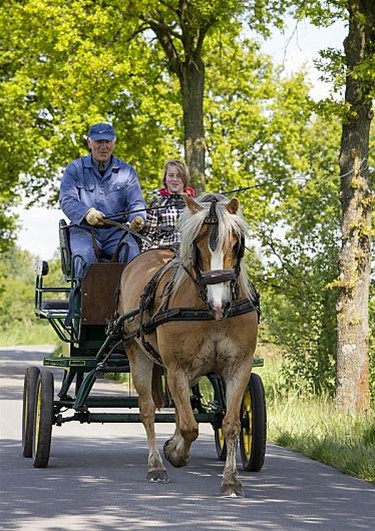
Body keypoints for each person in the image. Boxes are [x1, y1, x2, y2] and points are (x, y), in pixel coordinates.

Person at [59, 123, 146, 324]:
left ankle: (132, 316)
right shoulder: (75, 169)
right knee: (84, 256)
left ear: (113, 143)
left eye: (107, 141)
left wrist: (138, 218)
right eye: (98, 142)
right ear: (90, 143)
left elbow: (136, 201)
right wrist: (86, 213)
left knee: (133, 254)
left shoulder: (127, 172)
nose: (103, 146)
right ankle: (85, 313)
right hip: (83, 229)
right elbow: (67, 200)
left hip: (116, 230)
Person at [141, 159, 195, 252]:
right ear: (165, 179)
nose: (174, 179)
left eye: (179, 176)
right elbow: (149, 235)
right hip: (163, 250)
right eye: (171, 175)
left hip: (188, 252)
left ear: (184, 179)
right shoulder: (158, 203)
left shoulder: (193, 204)